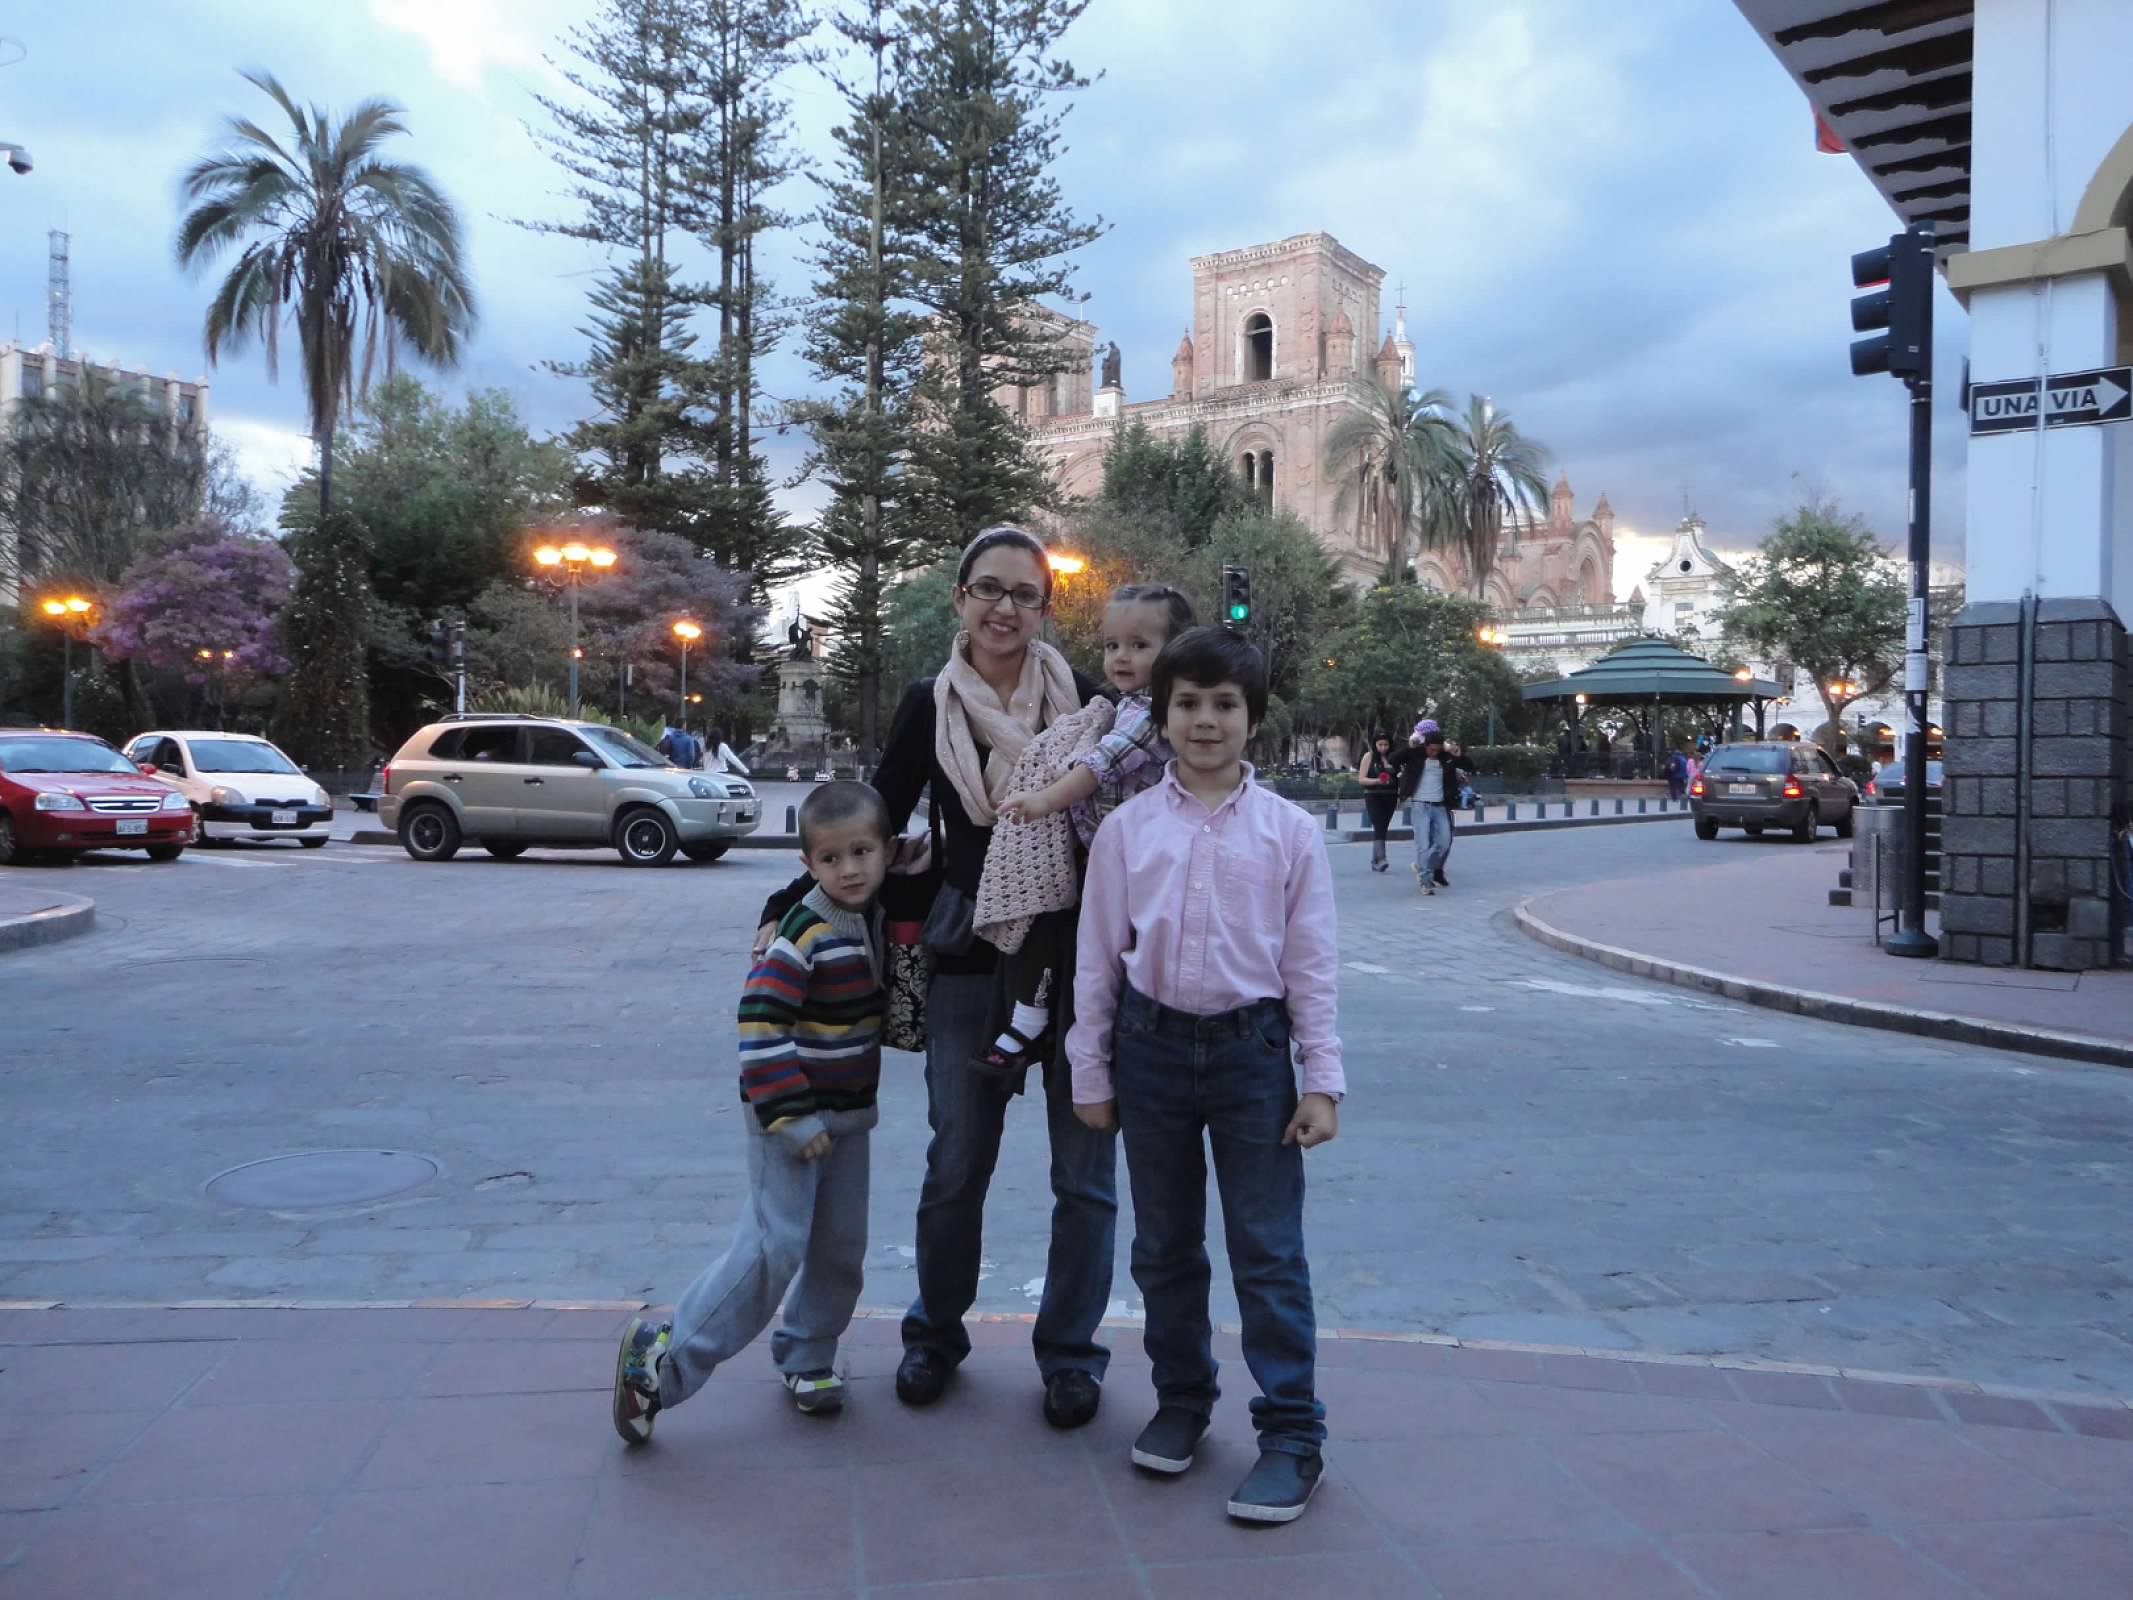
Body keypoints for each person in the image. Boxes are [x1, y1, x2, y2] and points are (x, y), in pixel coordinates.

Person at [751, 524, 1116, 1430]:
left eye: (1023, 594)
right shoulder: (931, 701)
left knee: (1085, 1173)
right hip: (963, 956)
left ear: (1045, 607)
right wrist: (795, 896)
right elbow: (874, 809)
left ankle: (1070, 1354)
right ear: (958, 599)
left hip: (1076, 958)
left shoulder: (1090, 702)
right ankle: (934, 1334)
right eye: (987, 589)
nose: (1004, 607)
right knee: (957, 1161)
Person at [1068, 626, 1343, 1525]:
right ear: (1162, 714)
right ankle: (1183, 1399)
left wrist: (1320, 1080)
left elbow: (1311, 965)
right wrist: (1090, 1069)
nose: (1205, 720)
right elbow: (1097, 959)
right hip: (1148, 1055)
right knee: (1163, 1248)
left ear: (1251, 719)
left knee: (1266, 1252)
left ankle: (1291, 1434)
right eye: (1187, 702)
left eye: (1225, 704)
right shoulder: (1125, 828)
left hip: (1251, 1059)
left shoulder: (1290, 834)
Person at [612, 781, 893, 1445]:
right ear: (807, 866)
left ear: (886, 852)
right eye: (830, 858)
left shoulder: (870, 911)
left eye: (862, 852)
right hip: (788, 1120)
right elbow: (760, 1023)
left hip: (848, 1121)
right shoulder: (804, 931)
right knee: (774, 1247)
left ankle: (807, 1355)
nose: (849, 869)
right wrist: (792, 1117)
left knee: (839, 1251)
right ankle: (664, 1360)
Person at [976, 583, 1196, 1078]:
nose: (1121, 657)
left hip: (1130, 863)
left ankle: (1044, 1026)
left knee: (1081, 941)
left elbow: (1100, 765)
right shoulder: (1120, 706)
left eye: (1140, 646)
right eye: (1111, 645)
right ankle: (1037, 1021)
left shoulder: (1151, 712)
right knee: (1052, 926)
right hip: (1103, 855)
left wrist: (1043, 799)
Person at [1397, 723, 1472, 895]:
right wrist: (1411, 744)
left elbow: (1469, 766)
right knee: (1423, 844)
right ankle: (1425, 880)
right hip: (1420, 805)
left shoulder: (1445, 758)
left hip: (1439, 806)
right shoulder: (1416, 756)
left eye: (1437, 750)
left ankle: (1422, 866)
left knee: (1444, 843)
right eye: (1431, 749)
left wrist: (1458, 755)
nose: (1434, 753)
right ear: (1425, 746)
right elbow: (1395, 759)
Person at [1357, 731, 1399, 872]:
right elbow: (1361, 779)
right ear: (1375, 745)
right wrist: (1377, 780)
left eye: (1386, 744)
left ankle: (1375, 861)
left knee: (1382, 827)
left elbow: (1401, 774)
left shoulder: (1394, 758)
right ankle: (1381, 858)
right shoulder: (1368, 757)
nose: (1383, 747)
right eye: (1380, 744)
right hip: (1373, 795)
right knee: (1379, 824)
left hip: (1391, 795)